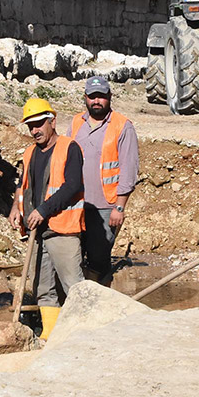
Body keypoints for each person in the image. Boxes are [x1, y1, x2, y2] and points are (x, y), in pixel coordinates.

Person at [8, 98, 85, 339]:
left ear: (52, 121)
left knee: (74, 287)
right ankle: (49, 336)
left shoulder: (69, 147)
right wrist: (15, 207)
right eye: (30, 126)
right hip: (37, 231)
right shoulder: (30, 152)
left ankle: (85, 335)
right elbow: (23, 185)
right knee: (43, 289)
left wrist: (43, 210)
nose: (35, 130)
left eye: (39, 124)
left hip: (63, 228)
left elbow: (72, 185)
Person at [69, 76, 139, 286]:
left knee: (99, 259)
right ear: (85, 98)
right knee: (75, 257)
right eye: (92, 97)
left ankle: (101, 297)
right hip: (77, 203)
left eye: (101, 96)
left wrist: (120, 206)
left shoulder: (122, 126)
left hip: (106, 206)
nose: (96, 101)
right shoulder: (76, 123)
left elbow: (129, 169)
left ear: (109, 97)